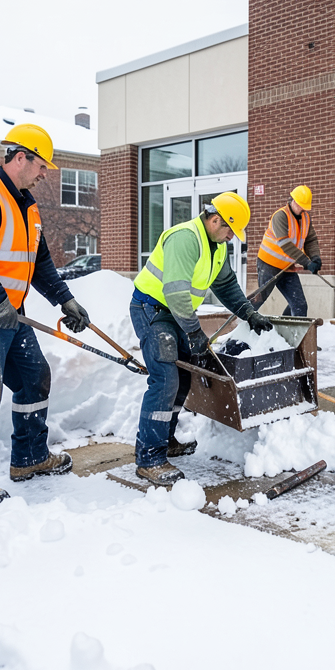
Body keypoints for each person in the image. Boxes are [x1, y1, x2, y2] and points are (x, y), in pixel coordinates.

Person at [0, 123, 91, 502]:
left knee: (33, 377)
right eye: (42, 166)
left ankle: (29, 458)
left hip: (9, 313)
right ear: (21, 157)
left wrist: (65, 300)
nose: (45, 174)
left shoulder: (27, 206)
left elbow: (39, 264)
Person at [130, 192, 274, 486]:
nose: (231, 237)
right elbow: (176, 292)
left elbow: (227, 286)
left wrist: (249, 314)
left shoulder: (217, 247)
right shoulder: (185, 238)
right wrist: (195, 333)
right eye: (229, 230)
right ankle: (149, 458)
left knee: (183, 378)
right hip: (152, 309)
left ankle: (165, 440)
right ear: (215, 219)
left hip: (175, 314)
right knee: (165, 379)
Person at [251, 185, 322, 317]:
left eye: (304, 207)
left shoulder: (306, 218)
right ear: (293, 201)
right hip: (268, 265)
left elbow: (311, 240)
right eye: (300, 205)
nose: (302, 209)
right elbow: (285, 244)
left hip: (287, 267)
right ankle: (238, 322)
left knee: (299, 305)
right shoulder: (281, 216)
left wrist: (315, 258)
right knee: (259, 299)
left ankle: (289, 334)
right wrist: (306, 262)